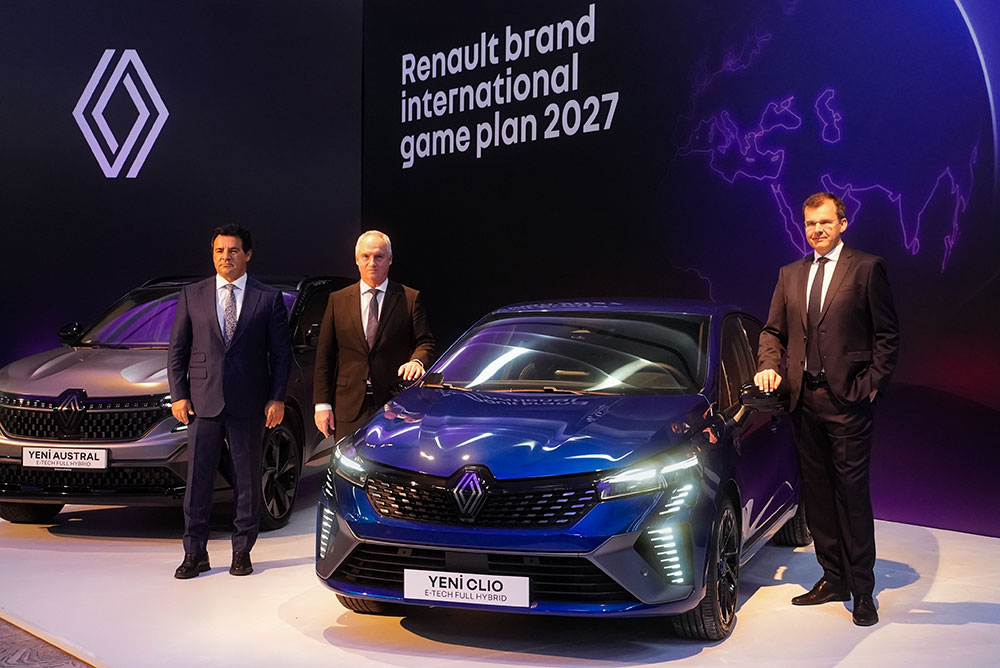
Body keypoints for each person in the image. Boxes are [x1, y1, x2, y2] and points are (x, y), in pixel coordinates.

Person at [754, 192, 899, 626]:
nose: (817, 230)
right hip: (803, 402)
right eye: (810, 224)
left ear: (842, 223)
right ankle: (833, 577)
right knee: (816, 495)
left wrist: (870, 387)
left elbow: (887, 336)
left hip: (848, 402)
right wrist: (768, 365)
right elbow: (773, 331)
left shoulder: (867, 268)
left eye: (824, 222)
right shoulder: (790, 274)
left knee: (851, 495)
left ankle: (863, 590)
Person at [168, 224, 292, 579]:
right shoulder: (192, 294)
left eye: (234, 250)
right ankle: (195, 553)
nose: (226, 257)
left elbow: (281, 355)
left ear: (247, 254)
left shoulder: (267, 298)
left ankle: (242, 551)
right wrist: (179, 395)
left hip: (249, 403)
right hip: (202, 402)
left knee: (247, 481)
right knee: (198, 483)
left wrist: (276, 397)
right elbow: (177, 351)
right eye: (220, 251)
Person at [313, 230, 434, 440]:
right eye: (366, 256)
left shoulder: (409, 298)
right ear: (357, 259)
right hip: (348, 406)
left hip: (394, 403)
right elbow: (325, 355)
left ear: (390, 259)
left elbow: (425, 342)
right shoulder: (337, 300)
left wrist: (417, 361)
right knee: (348, 459)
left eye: (379, 256)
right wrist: (322, 405)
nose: (372, 263)